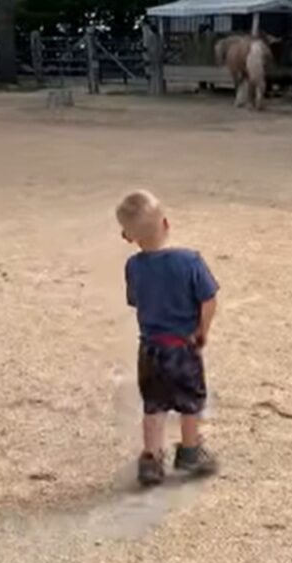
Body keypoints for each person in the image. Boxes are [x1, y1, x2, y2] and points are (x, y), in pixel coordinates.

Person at [116, 190, 220, 486]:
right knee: (190, 403)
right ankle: (189, 452)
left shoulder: (133, 267)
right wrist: (202, 331)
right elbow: (209, 300)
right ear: (166, 223)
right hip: (183, 348)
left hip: (149, 350)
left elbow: (136, 300)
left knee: (154, 405)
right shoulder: (190, 261)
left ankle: (151, 458)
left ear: (128, 236)